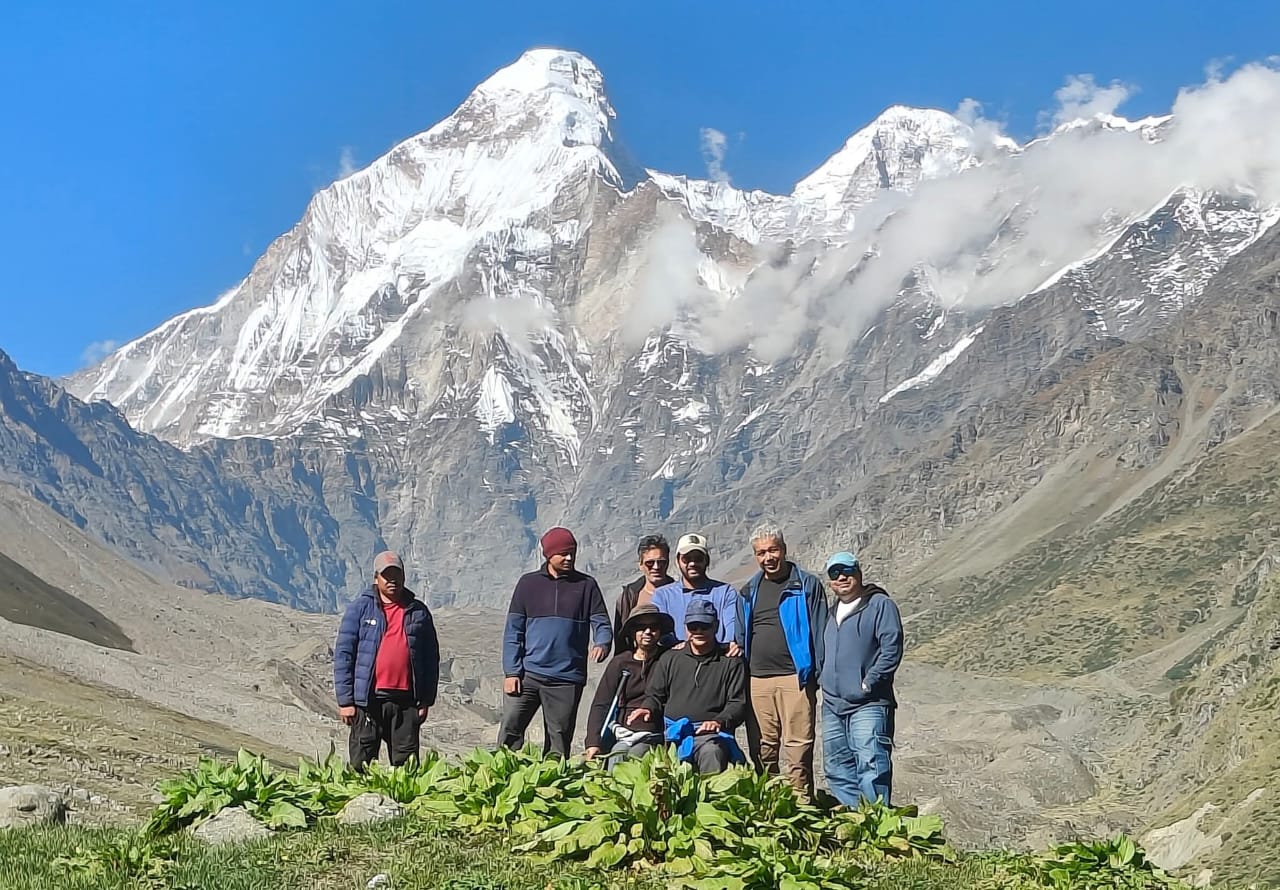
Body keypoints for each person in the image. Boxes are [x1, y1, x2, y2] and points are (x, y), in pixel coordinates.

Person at [499, 526, 612, 757]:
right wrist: (511, 672)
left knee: (559, 739)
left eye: (573, 552)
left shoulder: (586, 585)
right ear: (548, 555)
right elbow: (513, 631)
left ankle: (553, 786)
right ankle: (502, 780)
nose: (569, 558)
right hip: (528, 676)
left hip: (566, 679)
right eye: (564, 554)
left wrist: (602, 643)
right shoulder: (528, 585)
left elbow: (601, 622)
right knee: (510, 732)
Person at [736, 523, 829, 799]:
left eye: (773, 550)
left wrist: (817, 675)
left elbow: (820, 629)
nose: (768, 557)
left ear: (784, 549)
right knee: (763, 747)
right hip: (757, 679)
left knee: (798, 746)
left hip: (795, 678)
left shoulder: (806, 585)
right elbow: (742, 633)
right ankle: (771, 802)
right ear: (755, 556)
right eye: (761, 552)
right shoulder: (749, 591)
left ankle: (800, 803)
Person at [333, 550, 440, 769]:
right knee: (361, 764)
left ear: (404, 577)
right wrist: (346, 702)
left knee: (407, 766)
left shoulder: (418, 612)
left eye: (396, 576)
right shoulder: (360, 609)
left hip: (406, 703)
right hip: (368, 702)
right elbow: (344, 655)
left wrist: (426, 699)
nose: (392, 581)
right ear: (376, 578)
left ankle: (405, 803)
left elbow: (431, 658)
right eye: (386, 576)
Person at [819, 550, 903, 807]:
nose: (842, 577)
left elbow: (892, 647)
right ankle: (855, 820)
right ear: (830, 580)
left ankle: (876, 826)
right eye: (835, 573)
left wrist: (869, 682)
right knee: (836, 767)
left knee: (871, 765)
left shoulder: (879, 605)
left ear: (858, 572)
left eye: (847, 571)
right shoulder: (831, 612)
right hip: (833, 705)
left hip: (869, 703)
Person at [628, 598, 748, 774]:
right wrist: (647, 708)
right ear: (685, 628)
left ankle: (711, 800)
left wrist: (718, 721)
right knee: (637, 753)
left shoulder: (731, 662)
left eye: (704, 626)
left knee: (712, 752)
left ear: (715, 626)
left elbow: (738, 703)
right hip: (671, 735)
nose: (698, 631)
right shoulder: (670, 658)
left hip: (708, 737)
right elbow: (655, 695)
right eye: (693, 626)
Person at [583, 603, 674, 765]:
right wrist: (593, 742)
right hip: (624, 732)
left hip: (655, 732)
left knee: (636, 755)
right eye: (641, 627)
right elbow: (602, 703)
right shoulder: (620, 663)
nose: (648, 632)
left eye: (653, 627)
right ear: (633, 632)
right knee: (616, 757)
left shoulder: (668, 660)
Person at [651, 533, 741, 651]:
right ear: (678, 561)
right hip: (675, 661)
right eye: (686, 559)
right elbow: (662, 634)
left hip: (717, 660)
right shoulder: (662, 596)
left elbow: (732, 629)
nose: (692, 563)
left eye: (698, 558)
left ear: (706, 561)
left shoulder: (726, 593)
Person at [612, 534, 675, 651]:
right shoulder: (628, 597)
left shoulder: (678, 595)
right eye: (650, 563)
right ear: (640, 564)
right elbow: (621, 640)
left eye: (661, 562)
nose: (656, 567)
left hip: (671, 663)